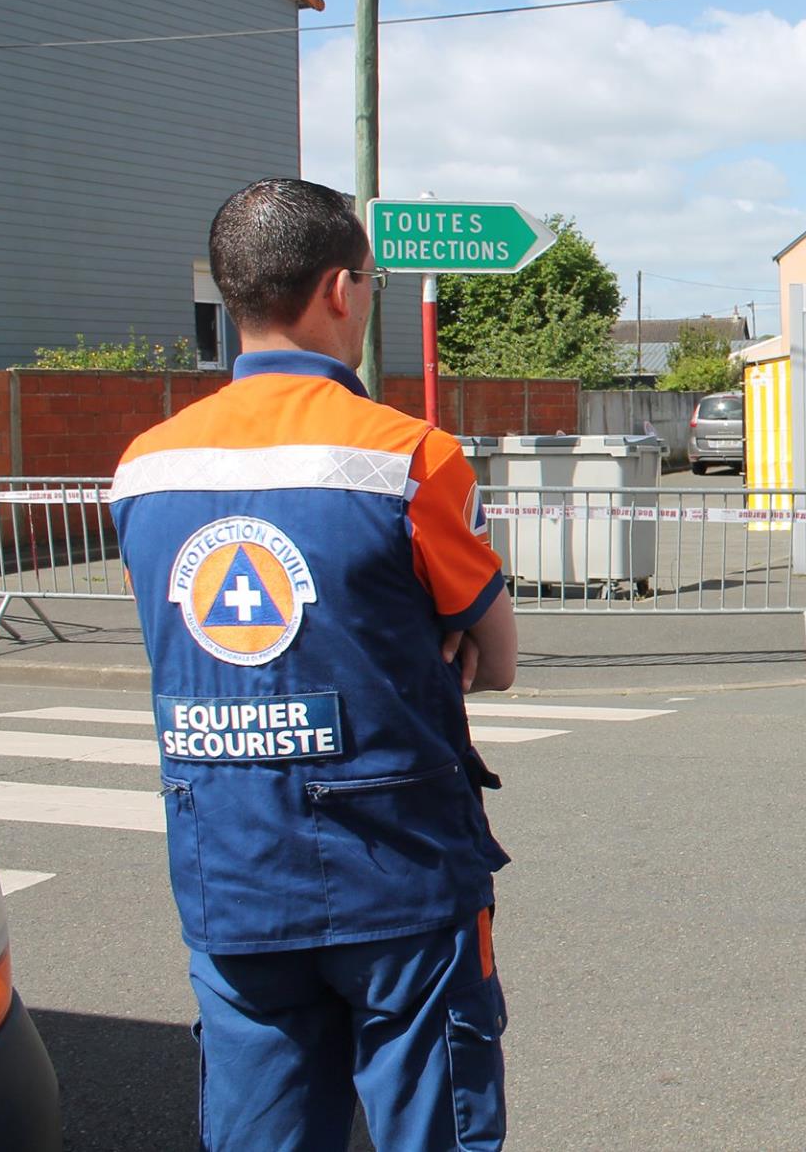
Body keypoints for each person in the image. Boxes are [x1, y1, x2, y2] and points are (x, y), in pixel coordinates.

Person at [110, 179, 518, 1151]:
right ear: (341, 288)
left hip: (232, 865)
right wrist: (427, 630)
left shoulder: (146, 466)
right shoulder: (407, 455)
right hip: (396, 868)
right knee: (433, 1121)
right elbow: (494, 656)